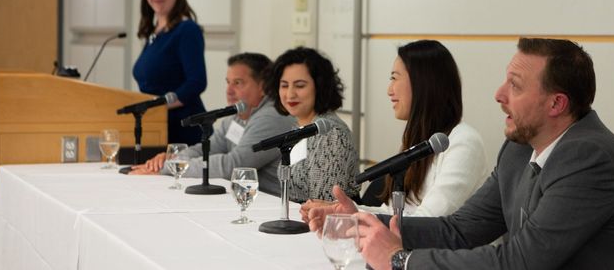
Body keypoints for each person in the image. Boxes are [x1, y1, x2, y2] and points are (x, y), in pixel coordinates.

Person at [307, 38, 614, 270]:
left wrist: (401, 260)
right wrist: (364, 223)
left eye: (515, 85)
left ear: (556, 104)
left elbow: (520, 262)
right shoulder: (519, 149)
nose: (499, 94)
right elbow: (460, 230)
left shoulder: (588, 158)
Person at [300, 40, 489, 218]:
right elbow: (393, 213)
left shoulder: (464, 141)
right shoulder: (420, 139)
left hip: (447, 252)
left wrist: (355, 216)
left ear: (422, 82)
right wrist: (344, 211)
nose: (389, 90)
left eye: (394, 78)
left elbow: (429, 221)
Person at [130, 53, 295, 196]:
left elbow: (232, 165)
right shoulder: (237, 116)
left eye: (237, 83)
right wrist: (172, 159)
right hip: (246, 197)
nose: (229, 90)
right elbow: (206, 149)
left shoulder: (273, 117)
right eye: (228, 82)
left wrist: (171, 167)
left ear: (263, 87)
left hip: (274, 204)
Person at [265, 47, 359, 203]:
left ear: (320, 87)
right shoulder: (300, 127)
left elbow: (325, 203)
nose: (290, 94)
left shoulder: (330, 133)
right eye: (284, 85)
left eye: (300, 86)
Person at [133, 0, 207, 145]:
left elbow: (196, 82)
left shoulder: (187, 30)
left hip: (183, 130)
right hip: (156, 125)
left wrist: (158, 105)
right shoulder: (154, 32)